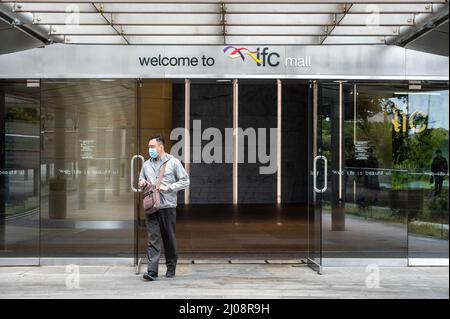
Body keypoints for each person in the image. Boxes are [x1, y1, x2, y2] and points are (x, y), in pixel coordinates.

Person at [138, 135, 190, 281]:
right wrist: (142, 182)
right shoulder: (146, 164)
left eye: (152, 147)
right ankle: (152, 271)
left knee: (169, 238)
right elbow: (141, 178)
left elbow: (186, 181)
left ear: (161, 147)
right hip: (151, 206)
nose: (150, 149)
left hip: (167, 205)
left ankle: (171, 268)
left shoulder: (173, 163)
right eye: (149, 147)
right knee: (152, 238)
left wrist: (169, 187)